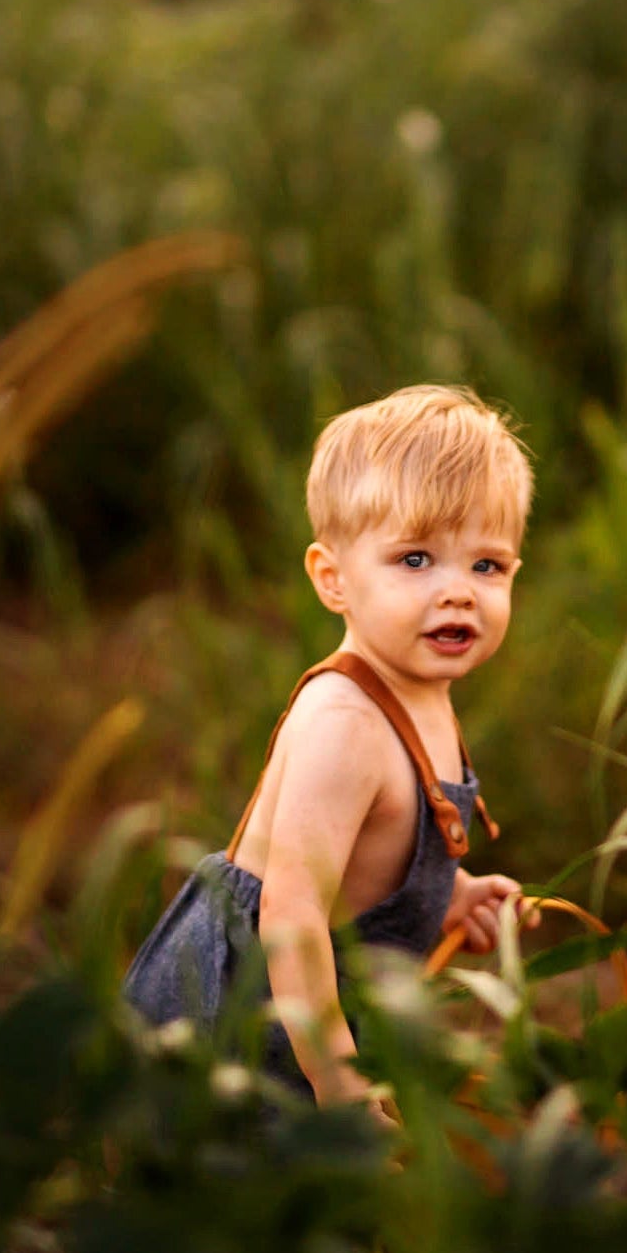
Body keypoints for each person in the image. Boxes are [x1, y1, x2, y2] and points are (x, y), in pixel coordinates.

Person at [121, 384, 539, 1127]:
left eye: (487, 566)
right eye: (416, 560)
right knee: (244, 1206)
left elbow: (373, 850)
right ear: (333, 579)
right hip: (248, 1015)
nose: (458, 593)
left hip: (325, 1002)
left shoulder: (422, 687)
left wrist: (450, 892)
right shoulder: (344, 721)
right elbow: (292, 910)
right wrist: (340, 1084)